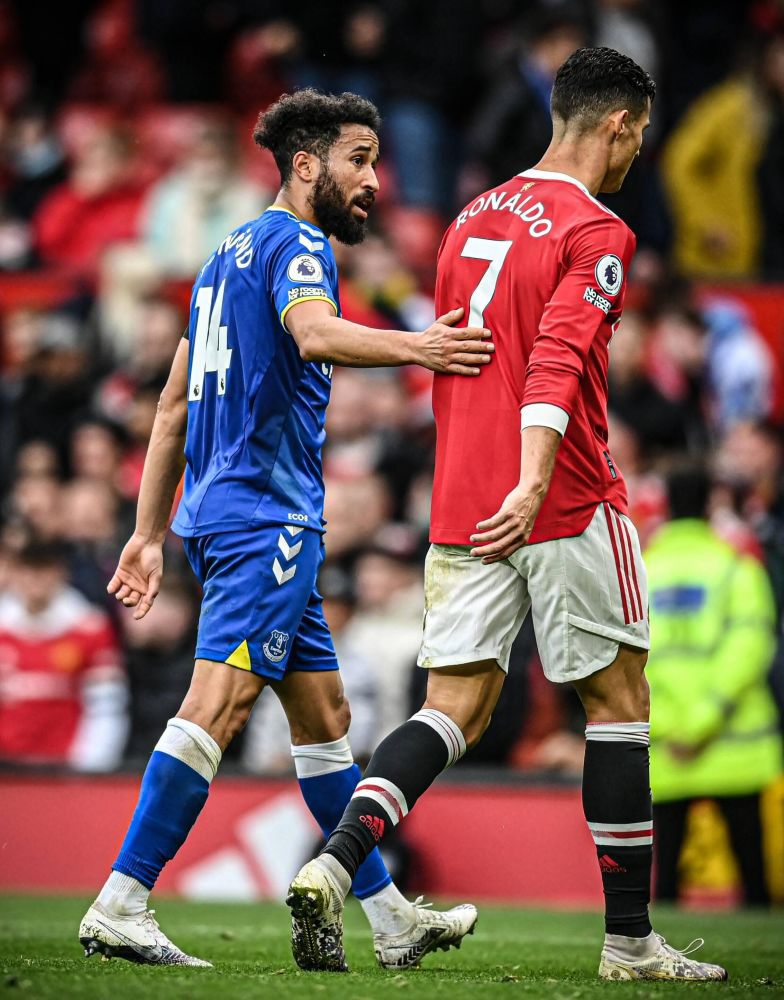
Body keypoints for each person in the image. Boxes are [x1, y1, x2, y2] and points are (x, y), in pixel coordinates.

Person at [288, 48, 728, 982]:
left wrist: (496, 478)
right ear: (617, 125)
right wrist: (534, 481)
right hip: (559, 494)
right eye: (639, 134)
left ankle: (335, 860)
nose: (637, 152)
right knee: (618, 705)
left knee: (450, 707)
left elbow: (456, 356)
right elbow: (556, 362)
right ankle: (629, 942)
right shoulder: (596, 229)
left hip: (461, 497)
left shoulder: (470, 216)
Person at [78, 89, 490, 970]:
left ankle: (386, 917)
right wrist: (421, 346)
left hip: (225, 515)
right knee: (217, 703)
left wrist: (149, 533)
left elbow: (172, 406)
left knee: (325, 719)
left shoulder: (221, 259)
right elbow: (311, 335)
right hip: (269, 519)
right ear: (306, 164)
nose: (372, 181)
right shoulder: (298, 244)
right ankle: (123, 897)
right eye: (358, 160)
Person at [644, 464, 781, 906]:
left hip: (668, 747)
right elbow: (751, 644)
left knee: (663, 891)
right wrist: (708, 717)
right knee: (754, 883)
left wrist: (672, 724)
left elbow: (628, 659)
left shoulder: (641, 571)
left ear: (664, 506)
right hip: (734, 743)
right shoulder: (737, 567)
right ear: (711, 505)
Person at [0, 541, 127, 771]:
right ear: (14, 574)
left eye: (43, 570)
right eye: (27, 570)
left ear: (60, 573)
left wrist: (91, 765)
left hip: (66, 767)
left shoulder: (89, 628)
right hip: (3, 767)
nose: (34, 580)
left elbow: (107, 704)